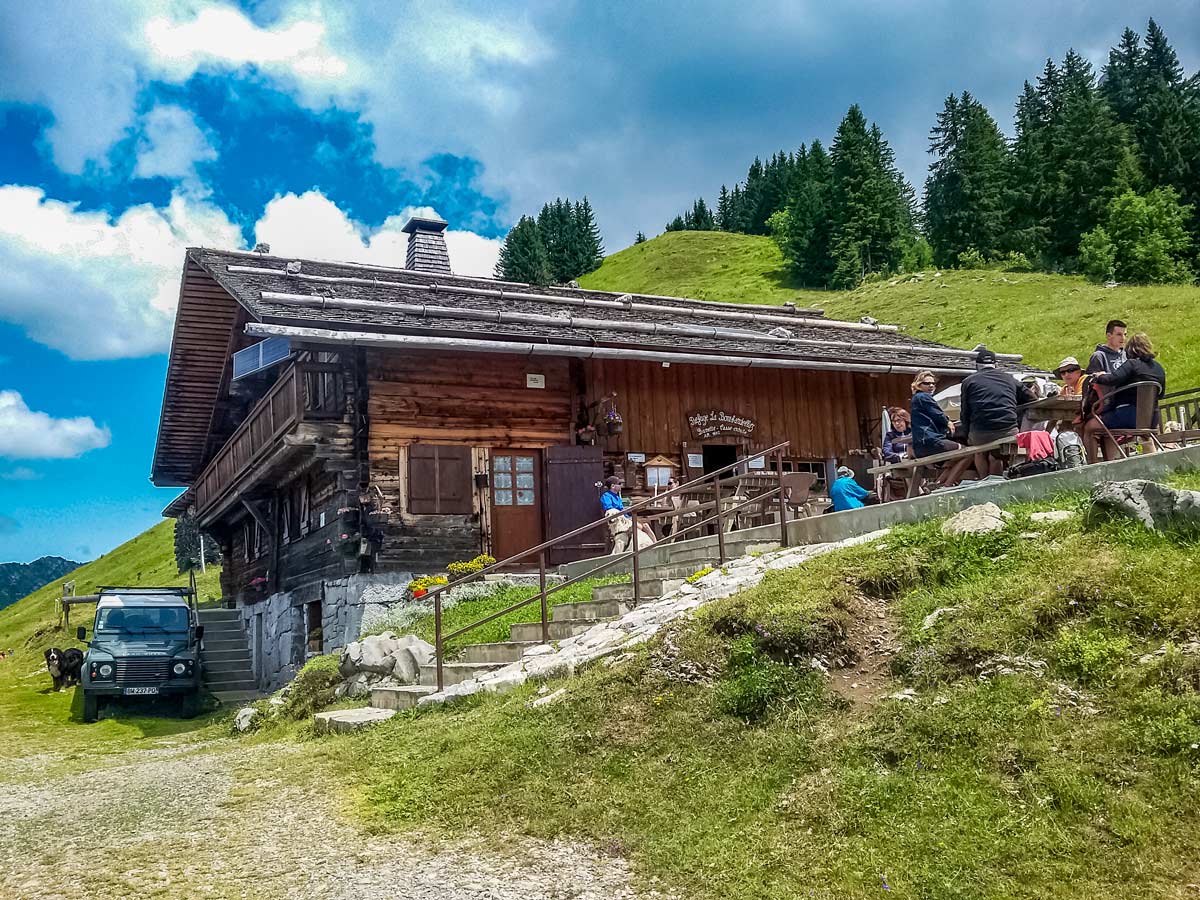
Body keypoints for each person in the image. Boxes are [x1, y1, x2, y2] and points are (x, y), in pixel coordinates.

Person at [1083, 332, 1167, 464]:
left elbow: (1112, 378)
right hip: (1151, 419)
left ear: (1130, 349)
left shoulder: (1132, 364)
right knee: (1109, 430)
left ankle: (1094, 467)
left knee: (1090, 426)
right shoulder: (1158, 368)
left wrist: (1099, 375)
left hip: (1128, 416)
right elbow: (1161, 394)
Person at [959, 347, 1037, 476]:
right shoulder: (1009, 378)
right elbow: (1032, 398)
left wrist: (966, 434)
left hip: (980, 432)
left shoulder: (968, 381)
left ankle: (984, 481)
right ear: (996, 364)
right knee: (997, 455)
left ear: (977, 365)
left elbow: (965, 412)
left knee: (978, 451)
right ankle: (998, 481)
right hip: (1007, 429)